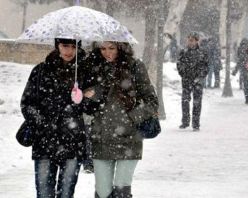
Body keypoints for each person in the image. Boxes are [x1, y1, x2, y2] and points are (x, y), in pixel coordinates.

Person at [83, 41, 159, 198]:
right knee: (103, 192)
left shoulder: (135, 66)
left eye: (111, 48)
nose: (107, 52)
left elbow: (151, 101)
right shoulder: (92, 68)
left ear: (121, 48)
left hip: (129, 139)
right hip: (101, 137)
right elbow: (87, 107)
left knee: (121, 190)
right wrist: (86, 97)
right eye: (102, 48)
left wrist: (130, 118)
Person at [20, 38, 87, 198]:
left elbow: (94, 106)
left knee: (66, 193)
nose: (69, 51)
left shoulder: (84, 73)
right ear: (57, 46)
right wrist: (43, 124)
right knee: (44, 193)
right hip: (44, 142)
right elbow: (27, 103)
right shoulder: (41, 71)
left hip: (73, 142)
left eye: (73, 47)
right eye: (65, 46)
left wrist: (82, 99)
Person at [177, 32, 209, 131]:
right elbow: (179, 64)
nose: (190, 42)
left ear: (196, 41)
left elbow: (206, 66)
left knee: (197, 102)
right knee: (185, 101)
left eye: (192, 40)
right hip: (186, 80)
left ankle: (196, 124)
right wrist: (183, 73)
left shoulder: (203, 52)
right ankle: (185, 121)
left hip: (198, 81)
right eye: (188, 40)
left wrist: (200, 77)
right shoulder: (183, 52)